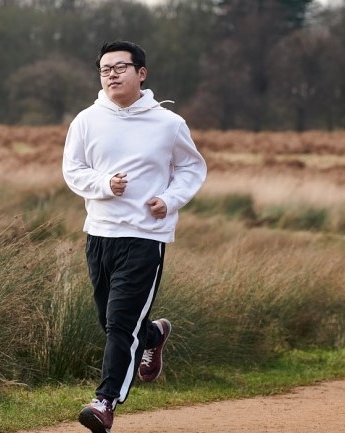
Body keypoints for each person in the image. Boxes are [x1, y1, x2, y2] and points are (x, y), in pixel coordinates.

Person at [62, 40, 207, 433]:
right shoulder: (87, 120)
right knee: (110, 322)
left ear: (141, 74)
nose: (112, 74)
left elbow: (192, 169)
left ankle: (105, 402)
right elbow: (72, 170)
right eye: (105, 69)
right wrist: (105, 184)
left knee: (120, 323)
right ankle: (155, 333)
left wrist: (170, 200)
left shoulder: (168, 123)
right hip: (100, 233)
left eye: (120, 67)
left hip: (145, 236)